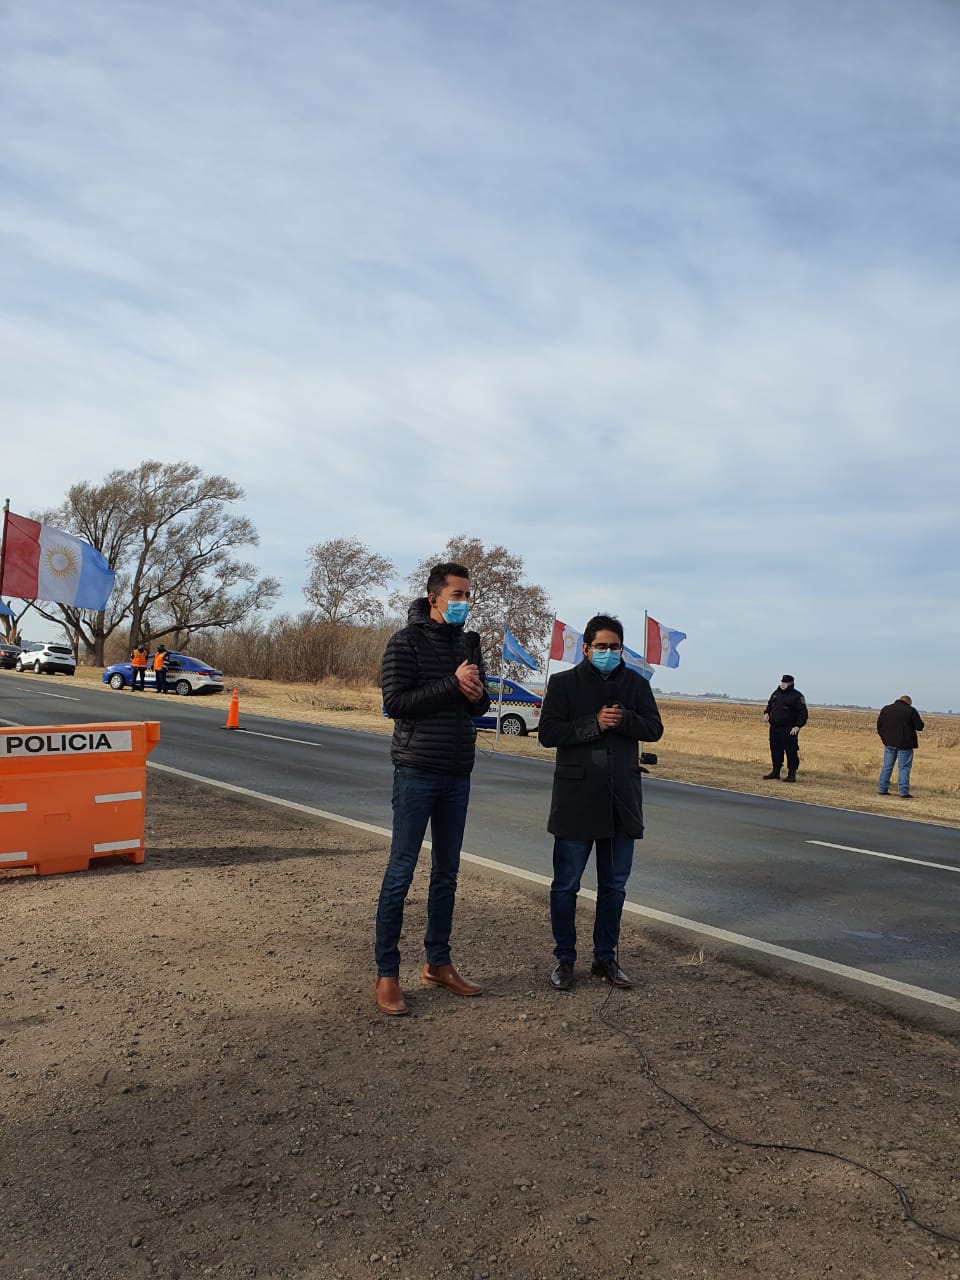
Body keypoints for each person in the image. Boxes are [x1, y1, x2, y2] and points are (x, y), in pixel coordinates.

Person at [373, 562, 491, 1016]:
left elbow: (478, 702)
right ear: (434, 597)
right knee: (401, 871)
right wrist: (451, 684)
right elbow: (396, 703)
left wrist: (472, 690)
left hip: (457, 771)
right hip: (417, 770)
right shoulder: (406, 641)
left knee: (446, 874)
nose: (463, 603)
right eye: (457, 595)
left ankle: (438, 963)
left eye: (467, 596)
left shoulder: (468, 642)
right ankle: (387, 974)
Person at [538, 614, 664, 992]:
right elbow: (548, 733)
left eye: (615, 647)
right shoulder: (563, 684)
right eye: (602, 647)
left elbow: (653, 729)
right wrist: (593, 723)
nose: (608, 653)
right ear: (587, 647)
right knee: (566, 885)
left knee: (614, 886)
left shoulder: (636, 684)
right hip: (577, 800)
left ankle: (606, 958)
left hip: (620, 800)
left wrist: (624, 719)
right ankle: (564, 958)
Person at [877, 695, 924, 799]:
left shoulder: (886, 709)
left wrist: (885, 739)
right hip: (905, 745)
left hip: (889, 743)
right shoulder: (911, 710)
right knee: (904, 768)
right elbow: (919, 727)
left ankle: (882, 789)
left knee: (887, 767)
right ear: (909, 702)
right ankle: (903, 792)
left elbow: (879, 726)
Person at [762, 674, 808, 782]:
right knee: (775, 749)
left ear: (791, 683)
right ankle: (775, 772)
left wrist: (798, 726)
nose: (783, 684)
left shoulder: (797, 696)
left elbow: (803, 713)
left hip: (789, 729)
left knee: (791, 751)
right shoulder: (776, 693)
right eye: (782, 682)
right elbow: (770, 705)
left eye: (785, 682)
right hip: (774, 727)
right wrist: (766, 713)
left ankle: (791, 774)